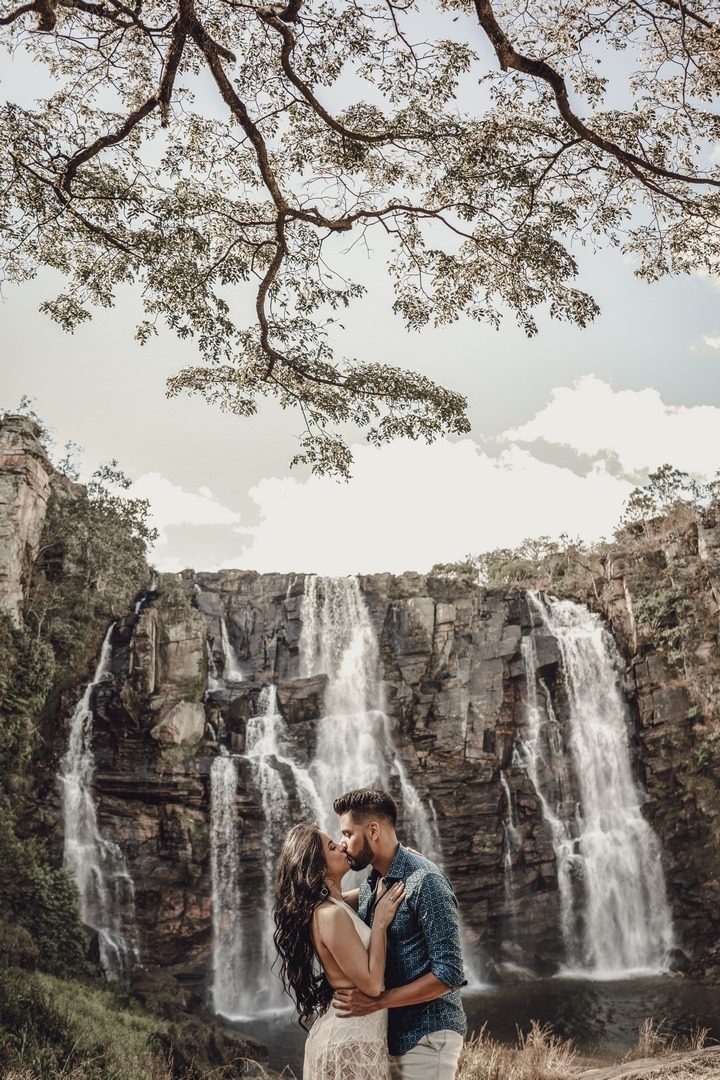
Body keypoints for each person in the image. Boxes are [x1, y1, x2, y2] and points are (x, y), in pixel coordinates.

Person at [332, 788, 467, 1080]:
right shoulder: (373, 883)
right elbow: (329, 906)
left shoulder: (425, 881)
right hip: (390, 1039)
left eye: (347, 834)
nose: (342, 844)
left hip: (428, 1036)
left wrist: (379, 1001)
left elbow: (449, 973)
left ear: (373, 830)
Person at [273, 822, 406, 1079]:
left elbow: (378, 887)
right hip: (347, 1042)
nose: (342, 845)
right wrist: (379, 923)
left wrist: (403, 858)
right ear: (319, 867)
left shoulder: (337, 904)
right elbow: (371, 984)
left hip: (358, 1036)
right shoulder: (330, 914)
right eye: (332, 847)